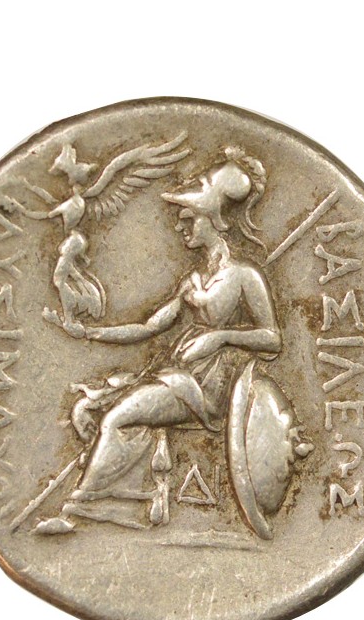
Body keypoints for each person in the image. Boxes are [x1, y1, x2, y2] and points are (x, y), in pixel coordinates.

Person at [36, 148, 280, 533]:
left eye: (188, 218)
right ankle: (132, 500)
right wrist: (91, 334)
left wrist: (219, 338)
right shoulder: (193, 280)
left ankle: (84, 510)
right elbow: (149, 327)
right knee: (94, 407)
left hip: (208, 387)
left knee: (117, 417)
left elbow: (272, 339)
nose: (181, 226)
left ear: (213, 220)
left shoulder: (244, 276)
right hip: (177, 375)